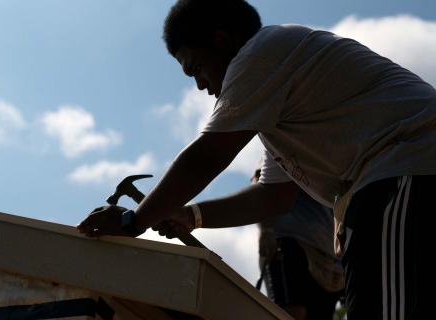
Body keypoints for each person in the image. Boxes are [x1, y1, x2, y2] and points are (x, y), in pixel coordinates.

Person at [78, 0, 436, 318]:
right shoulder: (281, 109)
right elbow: (273, 198)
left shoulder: (262, 53)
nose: (200, 86)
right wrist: (192, 216)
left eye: (196, 68)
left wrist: (132, 222)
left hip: (406, 171)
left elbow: (207, 156)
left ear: (222, 42)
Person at [252, 152, 344, 320]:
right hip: (290, 243)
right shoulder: (287, 140)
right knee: (291, 314)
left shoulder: (336, 150)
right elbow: (262, 183)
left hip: (328, 261)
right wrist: (265, 231)